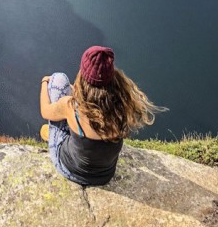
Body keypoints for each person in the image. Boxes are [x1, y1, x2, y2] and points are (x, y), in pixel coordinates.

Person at [39, 45, 160, 187]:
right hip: (105, 175)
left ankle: (54, 134)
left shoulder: (70, 106)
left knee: (58, 79)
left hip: (70, 169)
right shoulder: (122, 105)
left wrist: (44, 82)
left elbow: (45, 111)